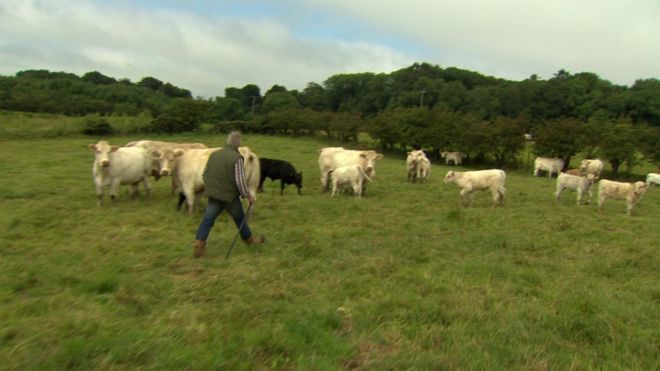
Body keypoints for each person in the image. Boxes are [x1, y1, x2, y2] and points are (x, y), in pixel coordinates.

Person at [193, 131, 265, 258]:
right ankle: (249, 240)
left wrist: (211, 188)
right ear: (238, 144)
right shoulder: (236, 158)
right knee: (240, 218)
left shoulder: (214, 155)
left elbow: (205, 174)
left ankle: (199, 244)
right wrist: (248, 195)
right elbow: (240, 181)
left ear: (227, 141)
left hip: (214, 195)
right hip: (229, 197)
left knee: (207, 220)